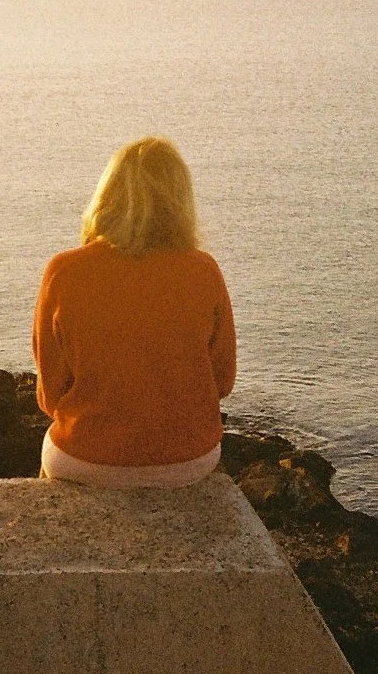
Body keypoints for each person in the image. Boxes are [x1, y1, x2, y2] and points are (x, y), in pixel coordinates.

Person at [33, 136, 236, 488]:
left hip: (86, 457)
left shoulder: (64, 271)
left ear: (108, 195)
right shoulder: (204, 271)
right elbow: (222, 381)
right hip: (187, 460)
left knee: (44, 482)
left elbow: (50, 395)